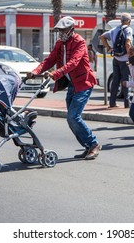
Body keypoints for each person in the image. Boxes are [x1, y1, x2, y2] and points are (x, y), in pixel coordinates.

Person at [27, 16, 101, 160]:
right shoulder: (60, 43)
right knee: (71, 119)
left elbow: (73, 63)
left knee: (73, 117)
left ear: (71, 29)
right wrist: (36, 71)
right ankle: (88, 146)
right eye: (60, 30)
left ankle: (93, 144)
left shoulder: (79, 42)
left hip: (83, 83)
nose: (61, 33)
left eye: (64, 30)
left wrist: (55, 74)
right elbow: (50, 60)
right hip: (72, 84)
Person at [100, 12, 133, 108]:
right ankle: (127, 103)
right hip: (125, 59)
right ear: (129, 21)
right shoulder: (129, 29)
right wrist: (130, 56)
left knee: (115, 80)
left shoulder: (114, 29)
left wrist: (109, 48)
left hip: (116, 58)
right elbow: (127, 43)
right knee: (126, 80)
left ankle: (112, 102)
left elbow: (102, 37)